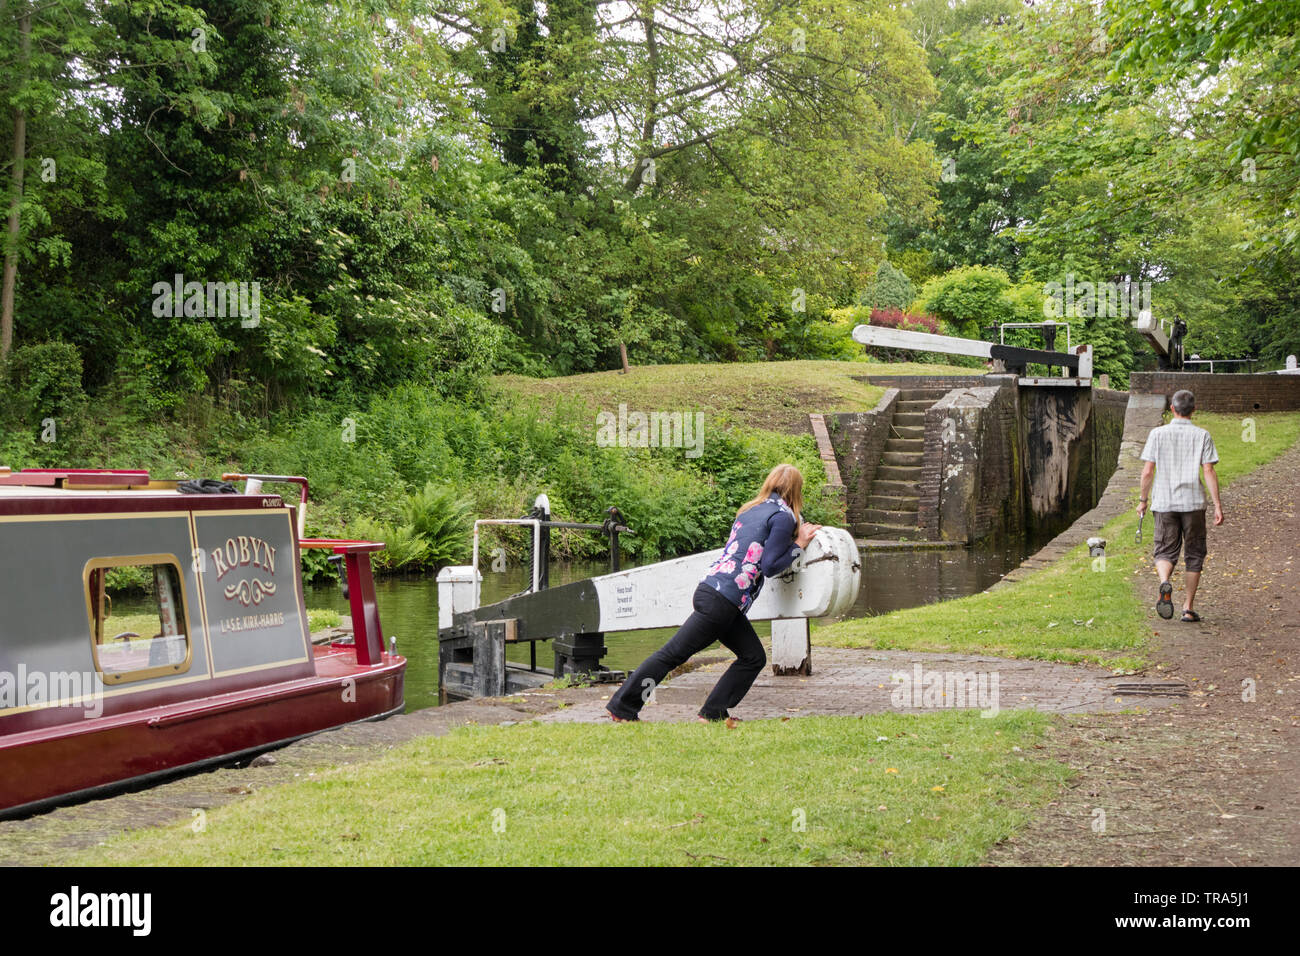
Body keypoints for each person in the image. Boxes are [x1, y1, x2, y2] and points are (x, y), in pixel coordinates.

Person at [605, 463, 821, 723]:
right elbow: (771, 565)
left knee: (753, 656)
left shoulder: (749, 511)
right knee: (673, 654)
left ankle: (714, 711)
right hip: (723, 602)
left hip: (714, 592)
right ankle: (623, 706)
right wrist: (799, 544)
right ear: (796, 491)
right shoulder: (783, 517)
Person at [1136, 389, 1224, 622]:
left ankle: (1165, 583)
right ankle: (1188, 608)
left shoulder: (1157, 434)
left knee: (1164, 550)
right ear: (1194, 410)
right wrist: (1217, 505)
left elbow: (1147, 471)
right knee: (1194, 554)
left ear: (1172, 409)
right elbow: (1208, 470)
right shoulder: (1202, 435)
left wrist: (1143, 501)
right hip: (1193, 503)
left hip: (1164, 502)